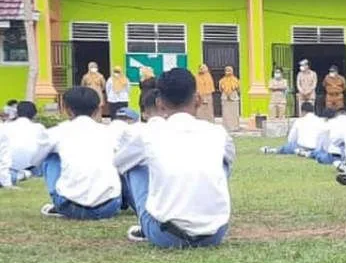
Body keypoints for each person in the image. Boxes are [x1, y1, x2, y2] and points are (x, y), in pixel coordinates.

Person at [115, 68, 235, 248]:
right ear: (198, 99)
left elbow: (118, 163)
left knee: (133, 165)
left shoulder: (148, 134)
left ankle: (148, 219)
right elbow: (230, 159)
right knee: (223, 161)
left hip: (166, 235)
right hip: (214, 235)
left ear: (159, 103)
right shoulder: (217, 132)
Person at [29, 87, 122, 219]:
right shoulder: (110, 132)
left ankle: (61, 195)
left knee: (50, 155)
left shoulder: (57, 132)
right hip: (109, 207)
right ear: (97, 110)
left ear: (67, 110)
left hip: (69, 207)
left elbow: (35, 160)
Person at [2, 101, 47, 183]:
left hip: (9, 167)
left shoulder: (5, 126)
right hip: (33, 167)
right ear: (34, 114)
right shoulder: (39, 128)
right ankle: (24, 174)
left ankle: (20, 175)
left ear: (17, 113)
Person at [219, 67, 241, 132]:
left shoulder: (235, 80)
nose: (228, 72)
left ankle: (235, 127)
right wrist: (226, 92)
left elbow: (238, 89)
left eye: (230, 71)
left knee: (234, 113)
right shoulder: (222, 80)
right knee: (226, 113)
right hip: (225, 98)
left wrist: (232, 90)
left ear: (232, 71)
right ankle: (226, 127)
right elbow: (220, 89)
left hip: (233, 98)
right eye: (227, 71)